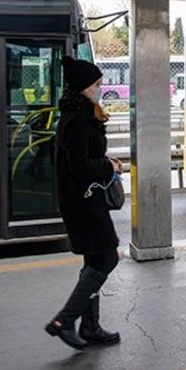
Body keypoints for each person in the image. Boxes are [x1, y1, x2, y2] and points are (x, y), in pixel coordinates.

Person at [45, 56, 122, 349]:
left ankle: (90, 326)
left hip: (84, 198)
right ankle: (65, 320)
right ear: (83, 87)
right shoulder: (77, 119)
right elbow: (78, 165)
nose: (101, 88)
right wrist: (109, 167)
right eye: (97, 84)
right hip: (83, 201)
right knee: (108, 257)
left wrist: (105, 162)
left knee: (94, 260)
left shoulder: (80, 114)